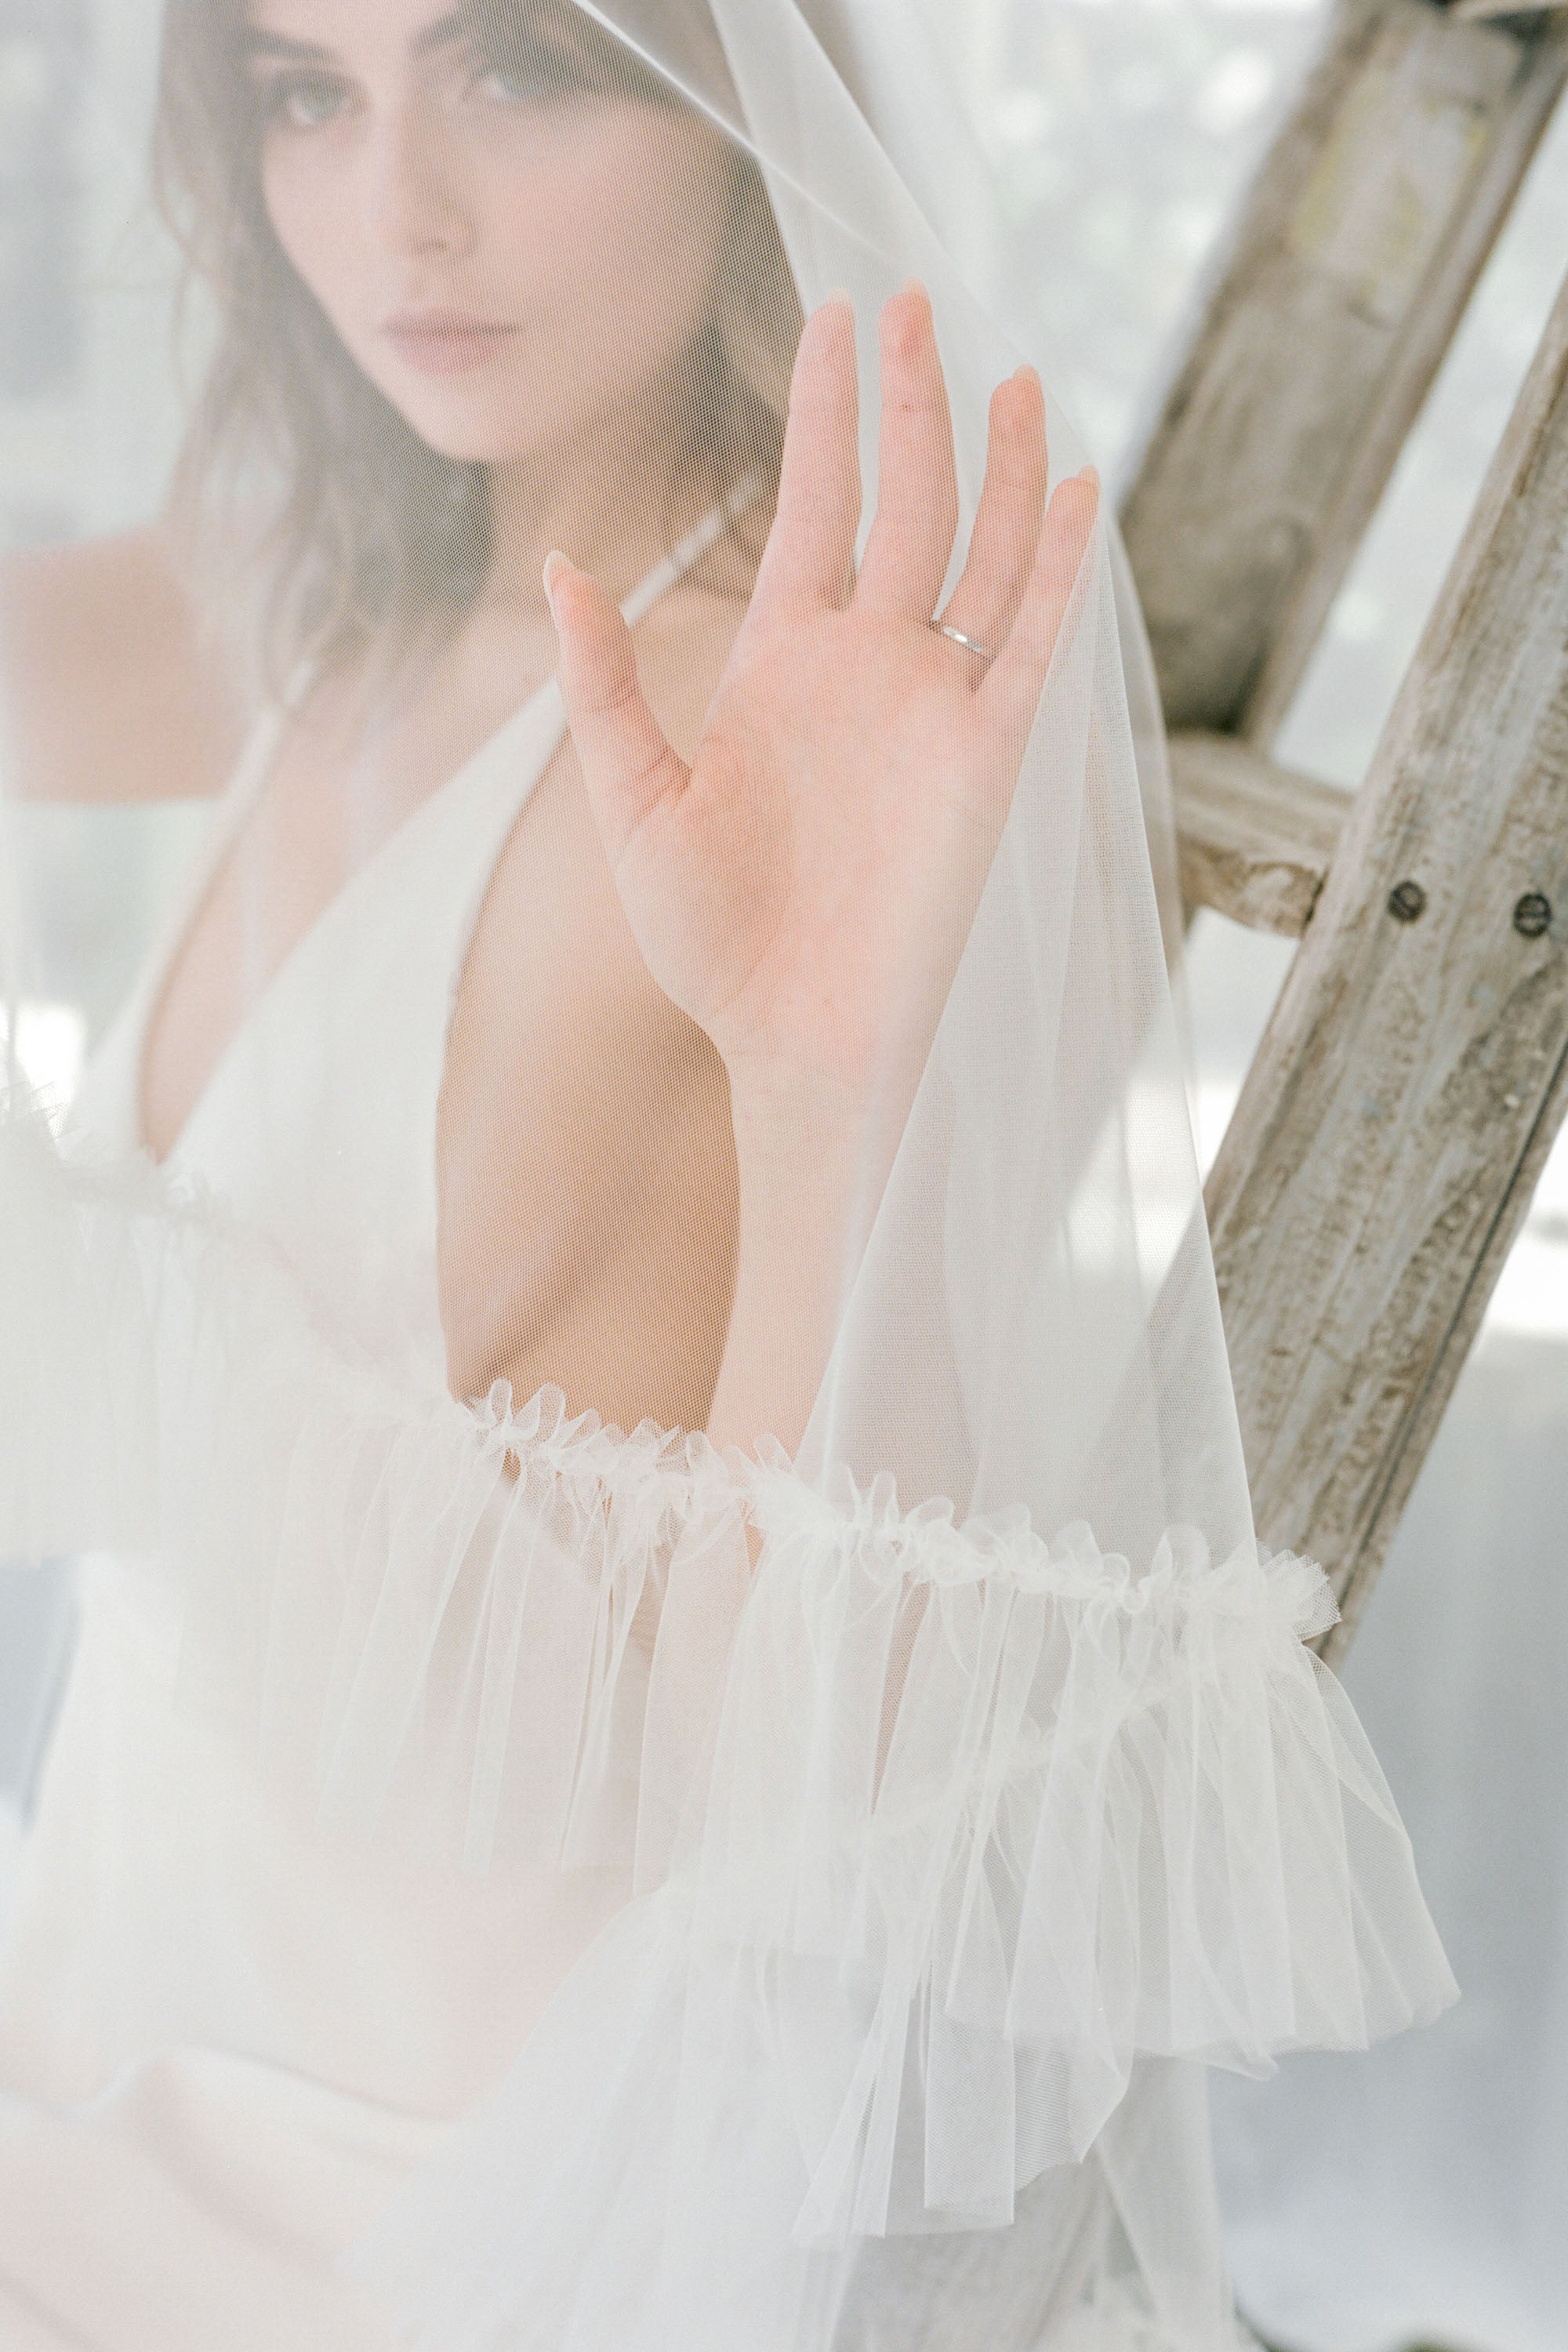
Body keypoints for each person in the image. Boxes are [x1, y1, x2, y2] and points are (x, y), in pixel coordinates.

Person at [0, 3, 1457, 2347]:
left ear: (731, 121)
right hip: (90, 2042)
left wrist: (817, 1075)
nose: (397, 216)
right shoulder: (325, 604)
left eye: (510, 72)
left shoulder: (763, 733)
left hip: (417, 2204)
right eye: (304, 93)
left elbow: (811, 1799)